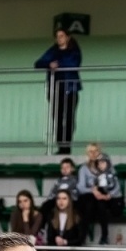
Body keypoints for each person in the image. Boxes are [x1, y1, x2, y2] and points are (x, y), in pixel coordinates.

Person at [35, 27, 82, 155]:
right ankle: (61, 147)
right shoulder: (53, 50)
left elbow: (73, 64)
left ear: (67, 37)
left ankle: (67, 146)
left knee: (69, 119)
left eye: (61, 36)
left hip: (70, 89)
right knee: (57, 118)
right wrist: (49, 64)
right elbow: (38, 63)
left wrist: (57, 64)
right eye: (57, 36)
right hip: (55, 90)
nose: (59, 38)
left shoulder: (74, 50)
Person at [79, 155, 122, 245]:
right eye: (98, 163)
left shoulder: (112, 174)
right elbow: (95, 186)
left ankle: (104, 236)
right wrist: (95, 191)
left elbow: (116, 187)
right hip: (102, 199)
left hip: (115, 200)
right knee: (99, 207)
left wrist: (109, 195)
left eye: (103, 162)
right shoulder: (97, 176)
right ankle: (104, 236)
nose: (100, 165)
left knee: (102, 207)